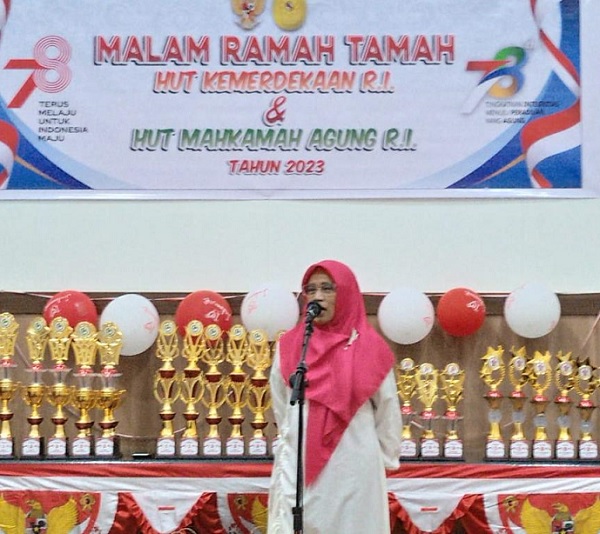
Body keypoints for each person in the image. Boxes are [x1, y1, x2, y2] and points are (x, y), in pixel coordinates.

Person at [267, 259, 402, 534]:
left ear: (347, 294)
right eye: (311, 289)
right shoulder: (290, 345)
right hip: (300, 462)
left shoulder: (370, 348)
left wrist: (386, 459)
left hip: (354, 464)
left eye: (327, 288)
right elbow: (282, 404)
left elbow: (387, 411)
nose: (317, 296)